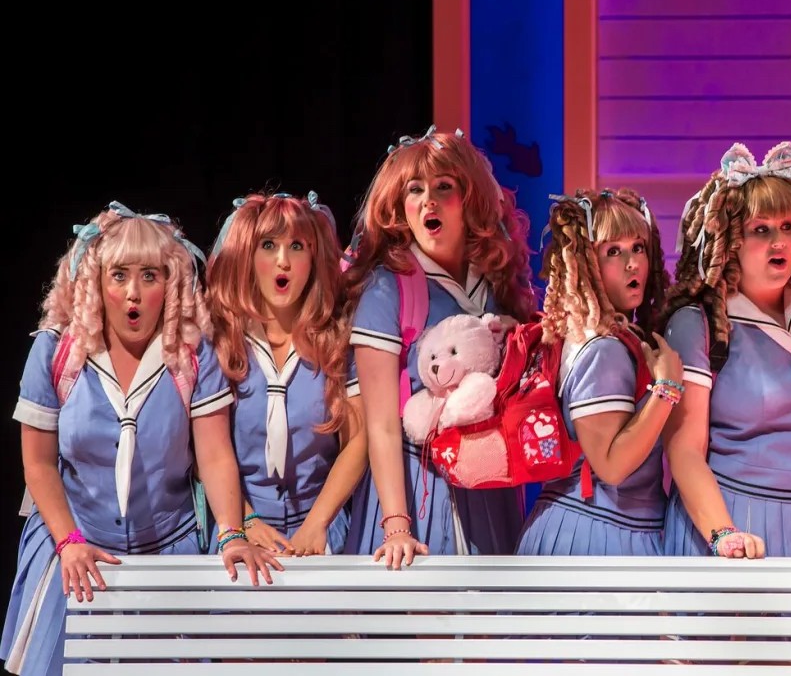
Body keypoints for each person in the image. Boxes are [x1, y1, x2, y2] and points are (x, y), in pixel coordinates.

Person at [1, 201, 280, 676]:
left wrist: (232, 532)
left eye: (149, 276)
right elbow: (39, 464)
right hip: (76, 546)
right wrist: (69, 541)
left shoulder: (192, 357)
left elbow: (213, 456)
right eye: (119, 276)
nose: (133, 293)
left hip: (169, 552)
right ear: (96, 283)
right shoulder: (56, 351)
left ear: (170, 284)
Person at [344, 127, 534, 568]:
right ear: (400, 208)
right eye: (415, 190)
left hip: (491, 489)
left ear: (470, 200)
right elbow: (381, 425)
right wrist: (396, 526)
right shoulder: (387, 289)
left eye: (443, 187)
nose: (428, 200)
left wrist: (519, 347)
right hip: (416, 489)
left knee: (492, 627)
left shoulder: (498, 284)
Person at [659, 142, 791, 560]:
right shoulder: (699, 322)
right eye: (761, 230)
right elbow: (684, 450)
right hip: (734, 518)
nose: (779, 241)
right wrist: (724, 534)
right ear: (730, 242)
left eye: (788, 226)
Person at [515, 188, 681, 555]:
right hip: (599, 535)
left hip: (600, 526)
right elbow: (612, 465)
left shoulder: (598, 336)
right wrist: (668, 387)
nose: (632, 263)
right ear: (585, 262)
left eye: (638, 247)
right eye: (613, 251)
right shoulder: (603, 349)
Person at [206, 191, 366, 555]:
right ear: (247, 256)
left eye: (297, 246)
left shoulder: (338, 339)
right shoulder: (220, 341)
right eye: (268, 245)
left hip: (322, 529)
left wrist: (316, 525)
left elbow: (357, 441)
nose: (283, 261)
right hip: (238, 530)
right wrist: (244, 521)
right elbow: (205, 451)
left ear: (314, 257)